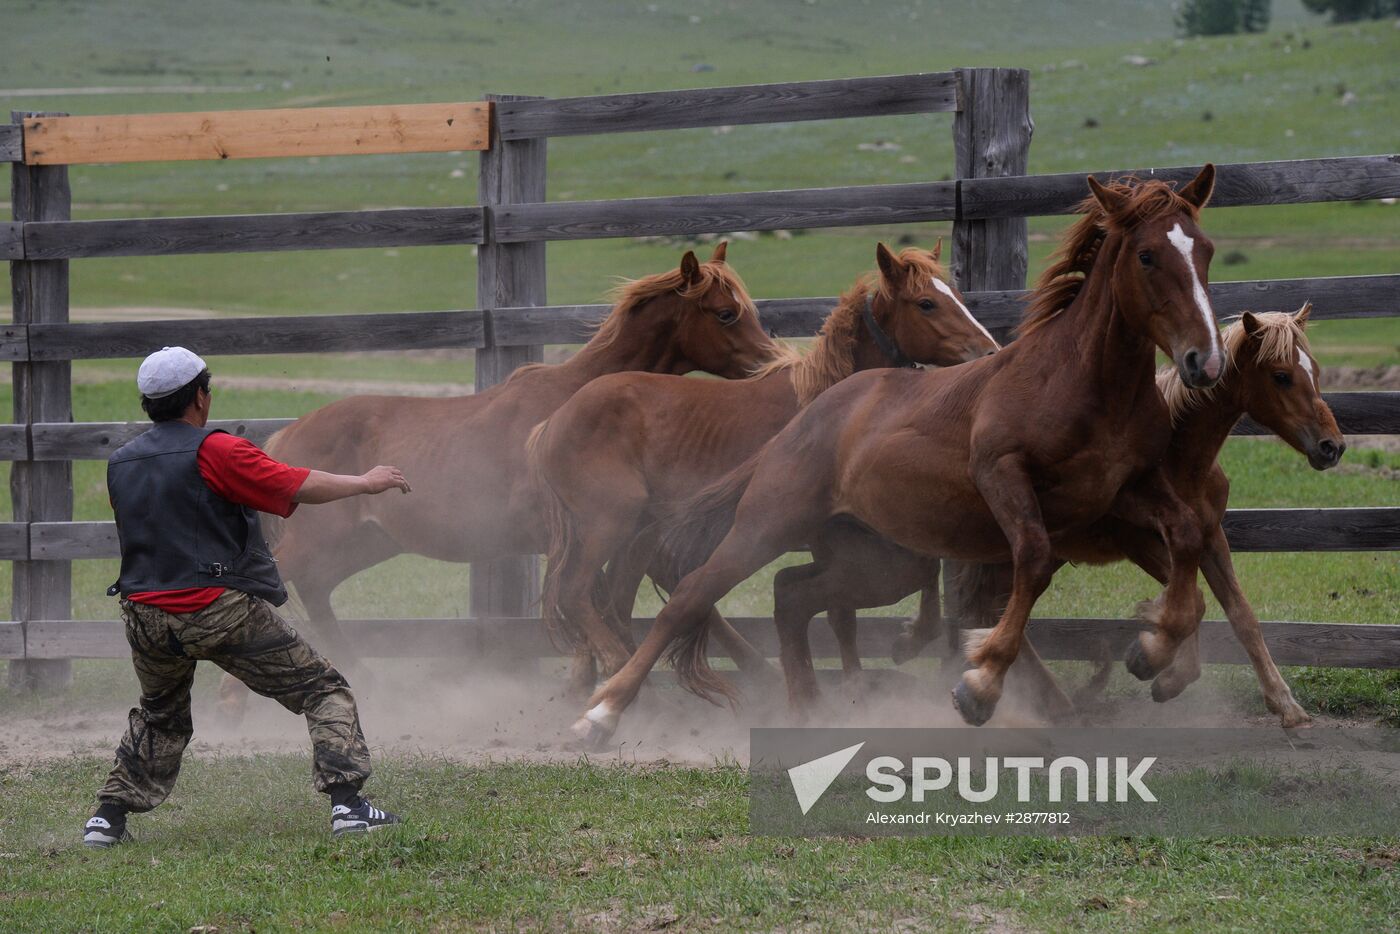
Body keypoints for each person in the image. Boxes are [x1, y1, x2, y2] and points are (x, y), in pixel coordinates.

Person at [84, 346, 411, 847]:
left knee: (159, 715)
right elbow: (296, 484)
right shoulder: (217, 450)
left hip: (144, 614)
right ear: (200, 397)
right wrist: (366, 482)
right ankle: (349, 806)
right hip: (214, 609)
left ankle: (107, 819)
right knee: (324, 689)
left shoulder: (122, 462)